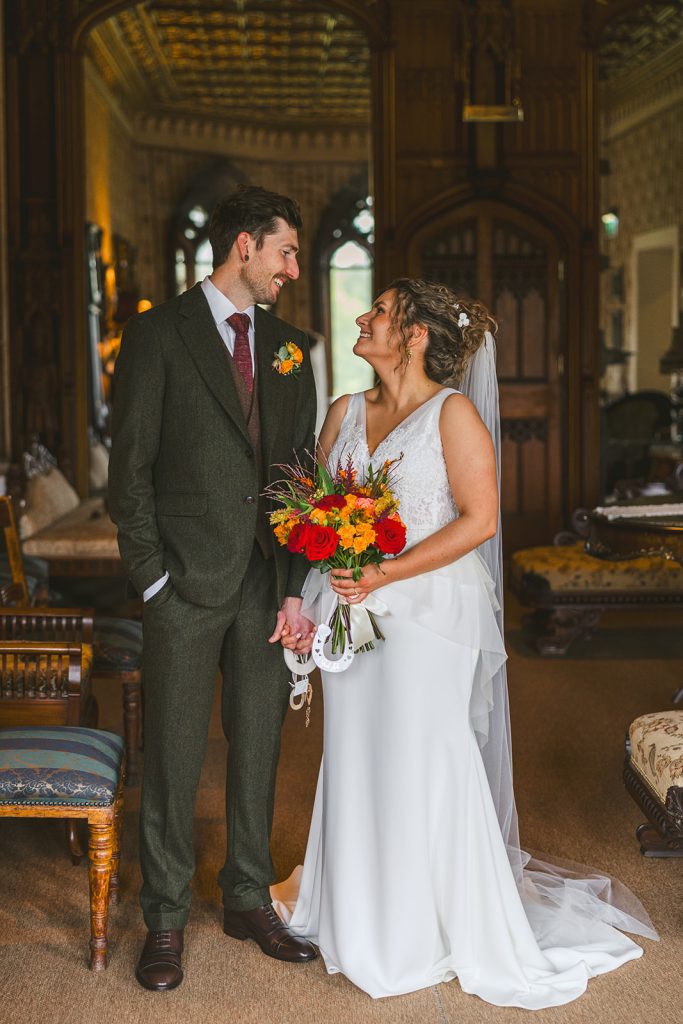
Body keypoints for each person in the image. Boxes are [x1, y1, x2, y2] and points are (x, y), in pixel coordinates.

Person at [272, 278, 657, 1008]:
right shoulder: (343, 411)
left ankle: (428, 924)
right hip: (350, 609)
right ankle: (355, 908)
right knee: (355, 751)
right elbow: (312, 514)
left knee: (424, 752)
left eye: (379, 310)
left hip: (428, 615)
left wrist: (383, 568)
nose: (363, 316)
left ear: (414, 335)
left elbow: (478, 521)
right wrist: (311, 590)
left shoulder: (451, 415)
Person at [108, 185, 319, 992]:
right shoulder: (158, 335)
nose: (291, 269)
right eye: (284, 252)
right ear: (243, 246)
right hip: (183, 584)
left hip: (268, 583)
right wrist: (153, 577)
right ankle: (163, 916)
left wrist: (296, 584)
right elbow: (129, 470)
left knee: (259, 743)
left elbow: (299, 474)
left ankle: (245, 895)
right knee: (171, 752)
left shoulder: (293, 345)